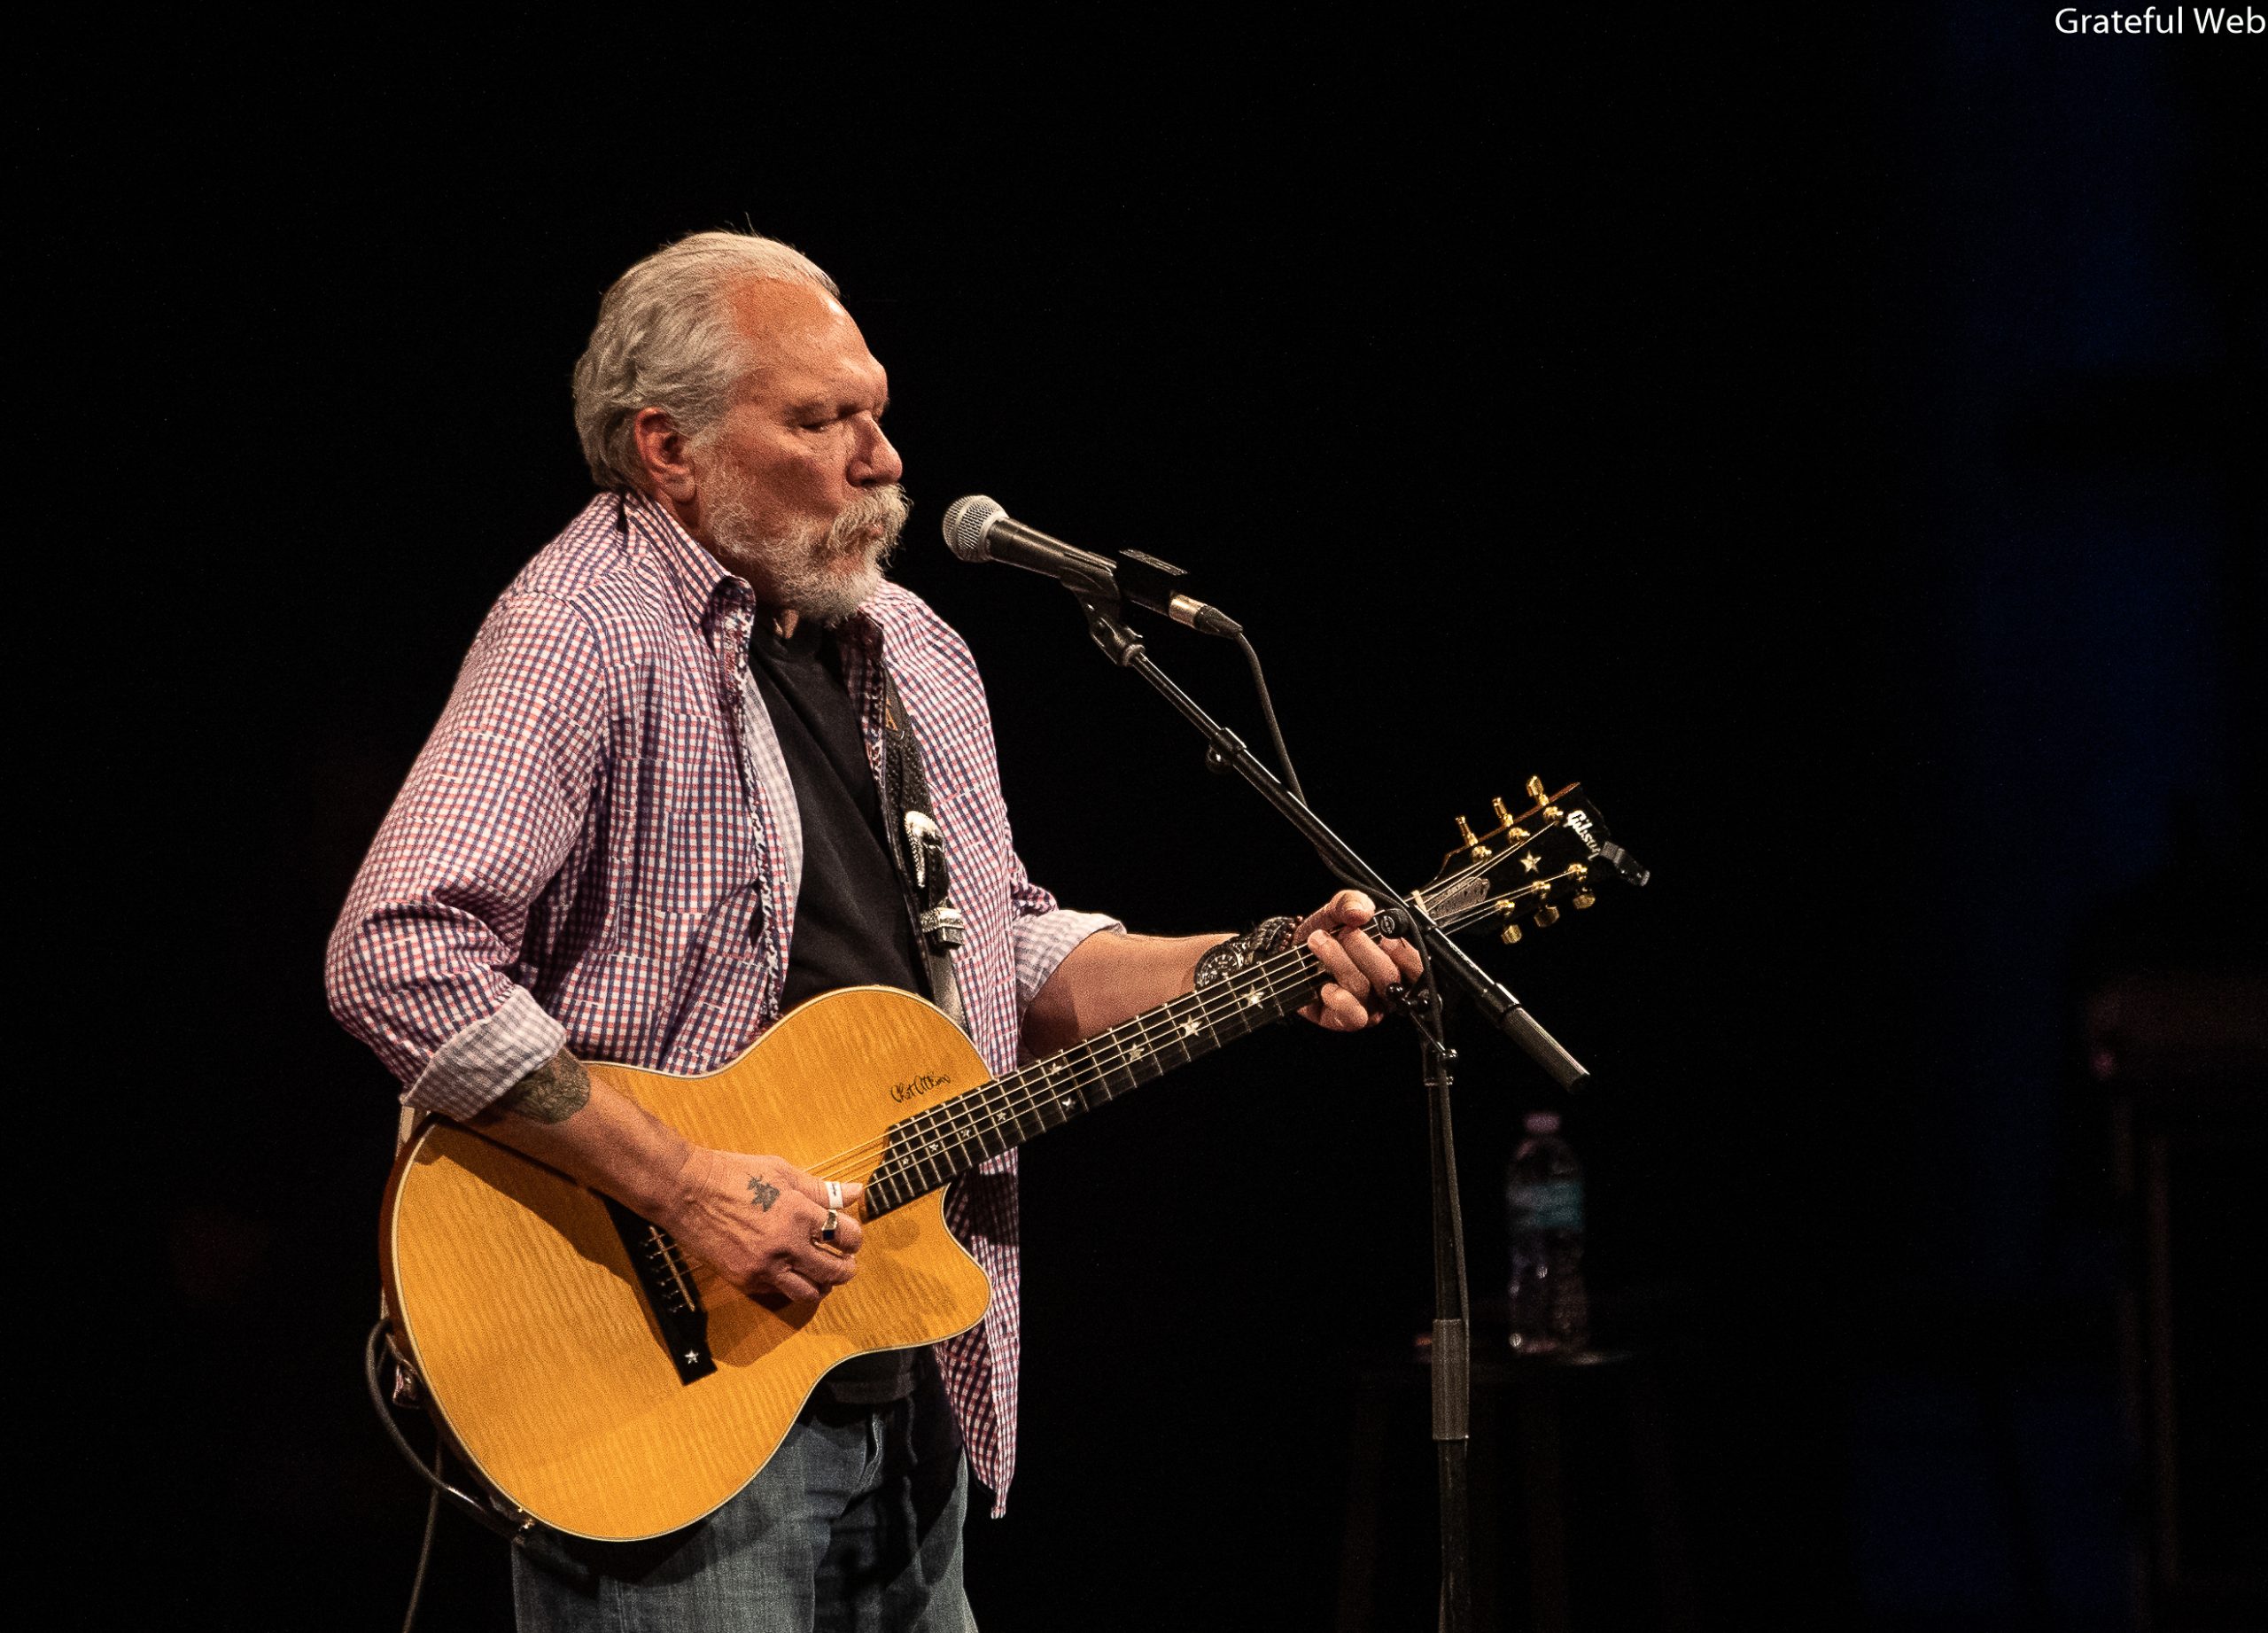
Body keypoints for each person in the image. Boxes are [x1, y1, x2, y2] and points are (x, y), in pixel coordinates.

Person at [327, 229, 1419, 1632]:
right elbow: (397, 948)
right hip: (666, 1401)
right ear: (669, 448)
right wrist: (682, 1187)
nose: (883, 458)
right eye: (820, 419)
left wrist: (1247, 965)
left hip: (906, 1363)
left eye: (878, 412)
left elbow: (1004, 953)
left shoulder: (915, 652)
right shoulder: (584, 628)